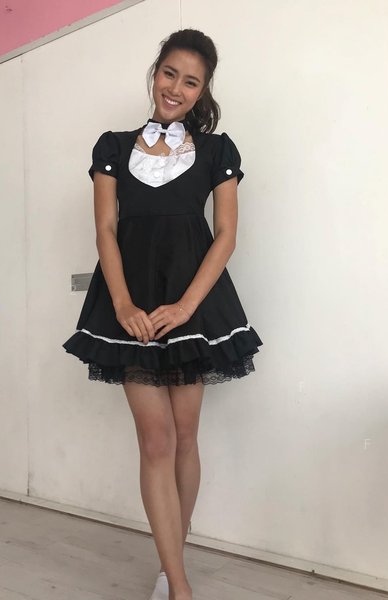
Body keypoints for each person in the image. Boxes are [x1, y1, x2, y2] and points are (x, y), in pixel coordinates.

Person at [62, 28, 263, 600]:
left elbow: (225, 236)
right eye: (170, 73)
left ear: (203, 90)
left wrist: (186, 306)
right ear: (155, 73)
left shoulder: (218, 151)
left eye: (191, 81)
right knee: (155, 441)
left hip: (191, 304)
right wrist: (123, 304)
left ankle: (171, 556)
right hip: (130, 305)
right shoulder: (111, 146)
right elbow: (106, 229)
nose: (176, 87)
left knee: (184, 437)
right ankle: (178, 584)